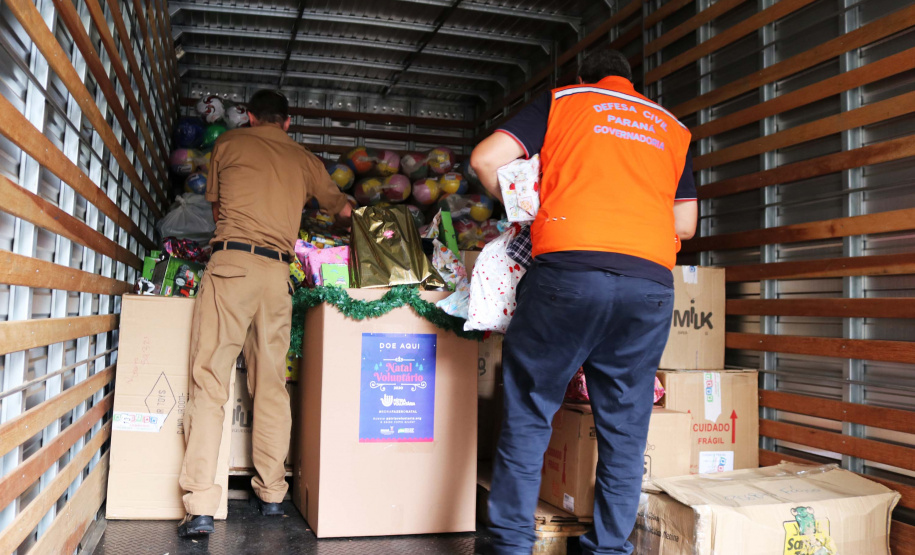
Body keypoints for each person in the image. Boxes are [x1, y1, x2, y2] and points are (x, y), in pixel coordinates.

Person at [470, 48, 697, 555]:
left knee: (531, 408)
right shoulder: (671, 127)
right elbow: (685, 225)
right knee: (625, 425)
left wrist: (526, 212)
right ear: (632, 83)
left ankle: (510, 544)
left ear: (582, 79)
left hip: (567, 274)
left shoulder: (563, 101)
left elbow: (486, 159)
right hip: (649, 285)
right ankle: (610, 547)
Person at [177, 90, 352, 537]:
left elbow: (217, 209)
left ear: (250, 116)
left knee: (210, 382)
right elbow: (343, 211)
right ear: (288, 122)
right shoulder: (306, 159)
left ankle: (200, 506)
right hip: (278, 277)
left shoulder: (230, 144)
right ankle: (272, 496)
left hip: (231, 266)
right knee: (272, 385)